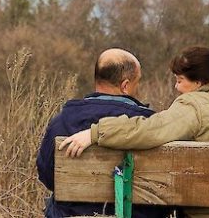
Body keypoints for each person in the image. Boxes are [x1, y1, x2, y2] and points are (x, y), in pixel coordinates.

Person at [59, 46, 209, 218]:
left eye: (180, 81)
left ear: (199, 83)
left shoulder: (193, 105)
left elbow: (149, 130)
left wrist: (96, 133)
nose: (176, 88)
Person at [37, 48, 171, 218]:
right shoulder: (148, 124)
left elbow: (47, 175)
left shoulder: (61, 121)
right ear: (125, 85)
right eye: (138, 82)